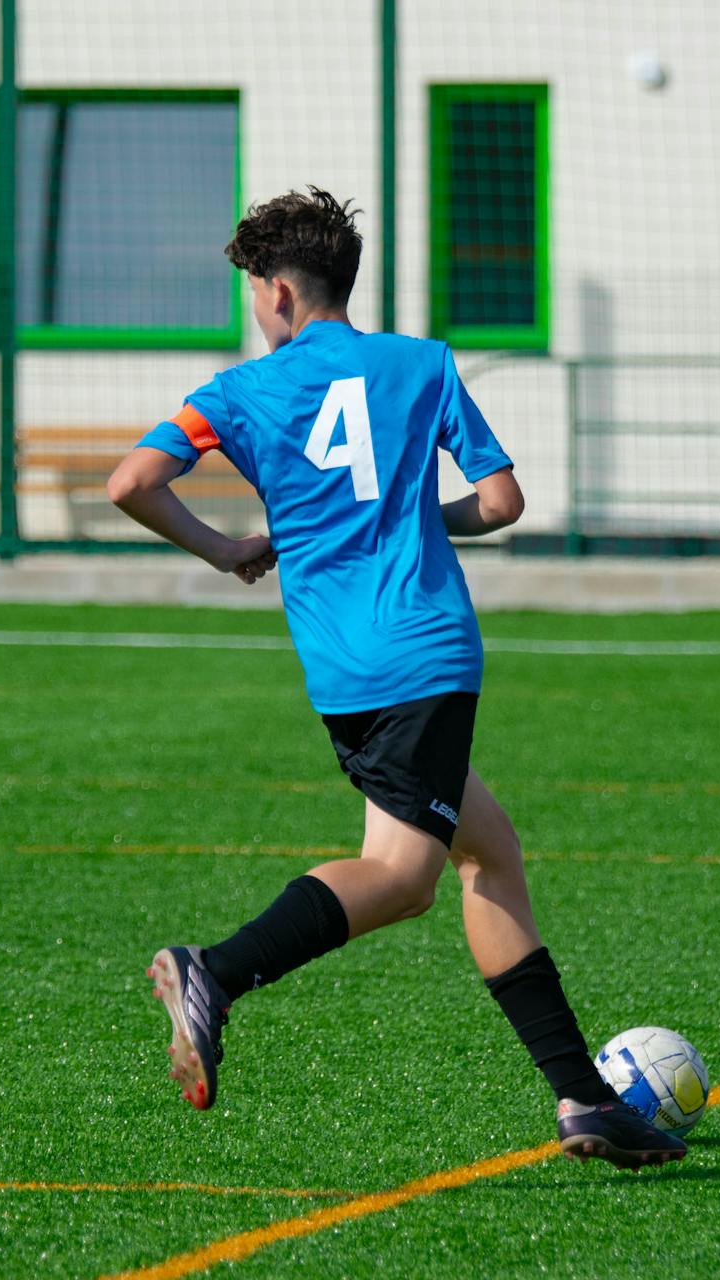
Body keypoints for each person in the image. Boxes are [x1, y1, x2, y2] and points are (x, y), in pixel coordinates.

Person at [106, 188, 683, 1169]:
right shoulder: (423, 365)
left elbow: (131, 483)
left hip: (343, 670)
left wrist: (226, 549)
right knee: (404, 879)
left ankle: (584, 1100)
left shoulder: (237, 392)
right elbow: (501, 500)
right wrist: (420, 516)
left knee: (488, 855)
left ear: (278, 291)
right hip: (426, 652)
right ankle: (217, 971)